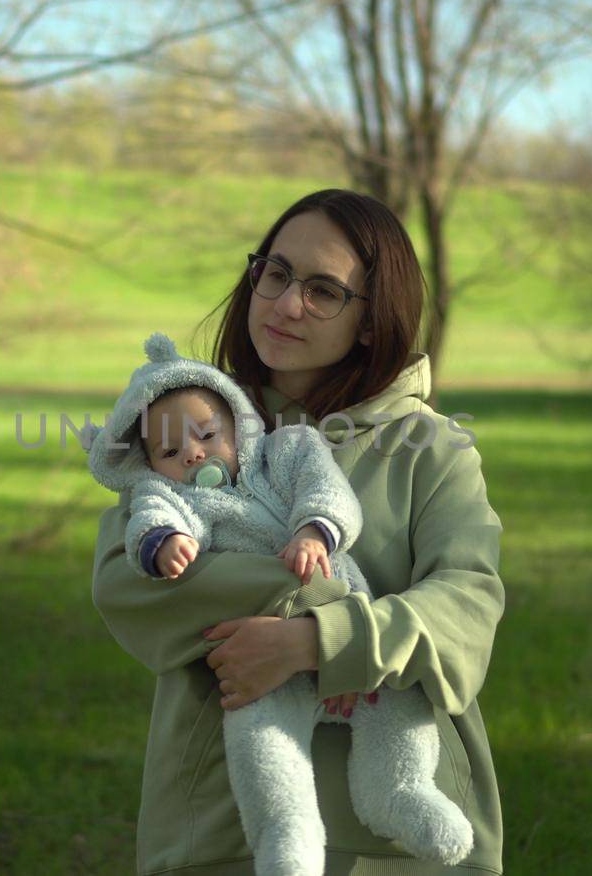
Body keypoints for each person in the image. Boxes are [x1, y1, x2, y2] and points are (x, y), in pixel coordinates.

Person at [91, 189, 506, 874]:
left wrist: (318, 643)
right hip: (216, 826)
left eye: (323, 291)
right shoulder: (193, 420)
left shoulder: (431, 451)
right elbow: (124, 580)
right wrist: (310, 602)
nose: (286, 304)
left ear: (372, 322)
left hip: (388, 849)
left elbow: (467, 605)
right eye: (276, 274)